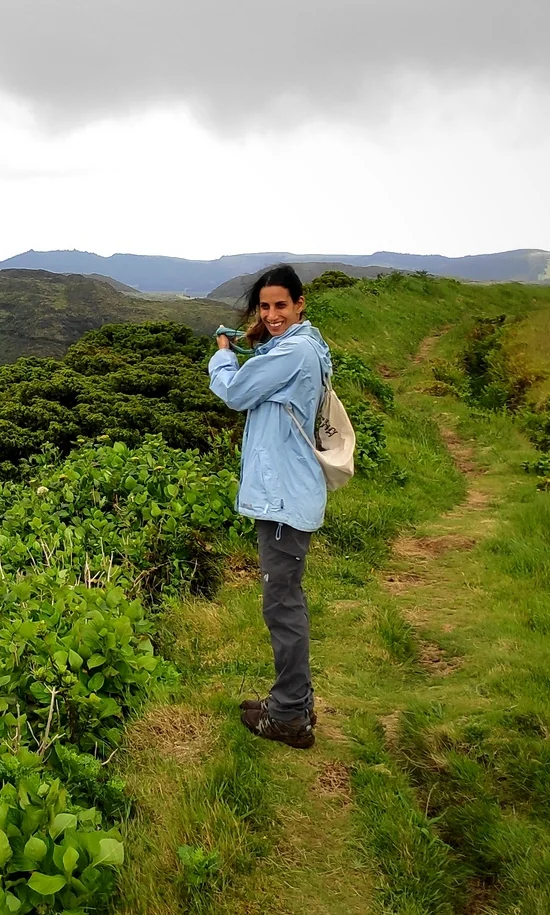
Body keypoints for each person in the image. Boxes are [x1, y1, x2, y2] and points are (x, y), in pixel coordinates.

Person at [208, 263, 331, 749]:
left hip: (283, 496)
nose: (273, 314)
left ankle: (288, 717)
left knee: (282, 606)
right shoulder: (306, 344)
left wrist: (222, 355)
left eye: (281, 305)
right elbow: (271, 366)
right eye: (265, 306)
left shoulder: (295, 351)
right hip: (288, 490)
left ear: (300, 304)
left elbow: (236, 392)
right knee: (285, 601)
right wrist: (253, 343)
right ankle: (292, 701)